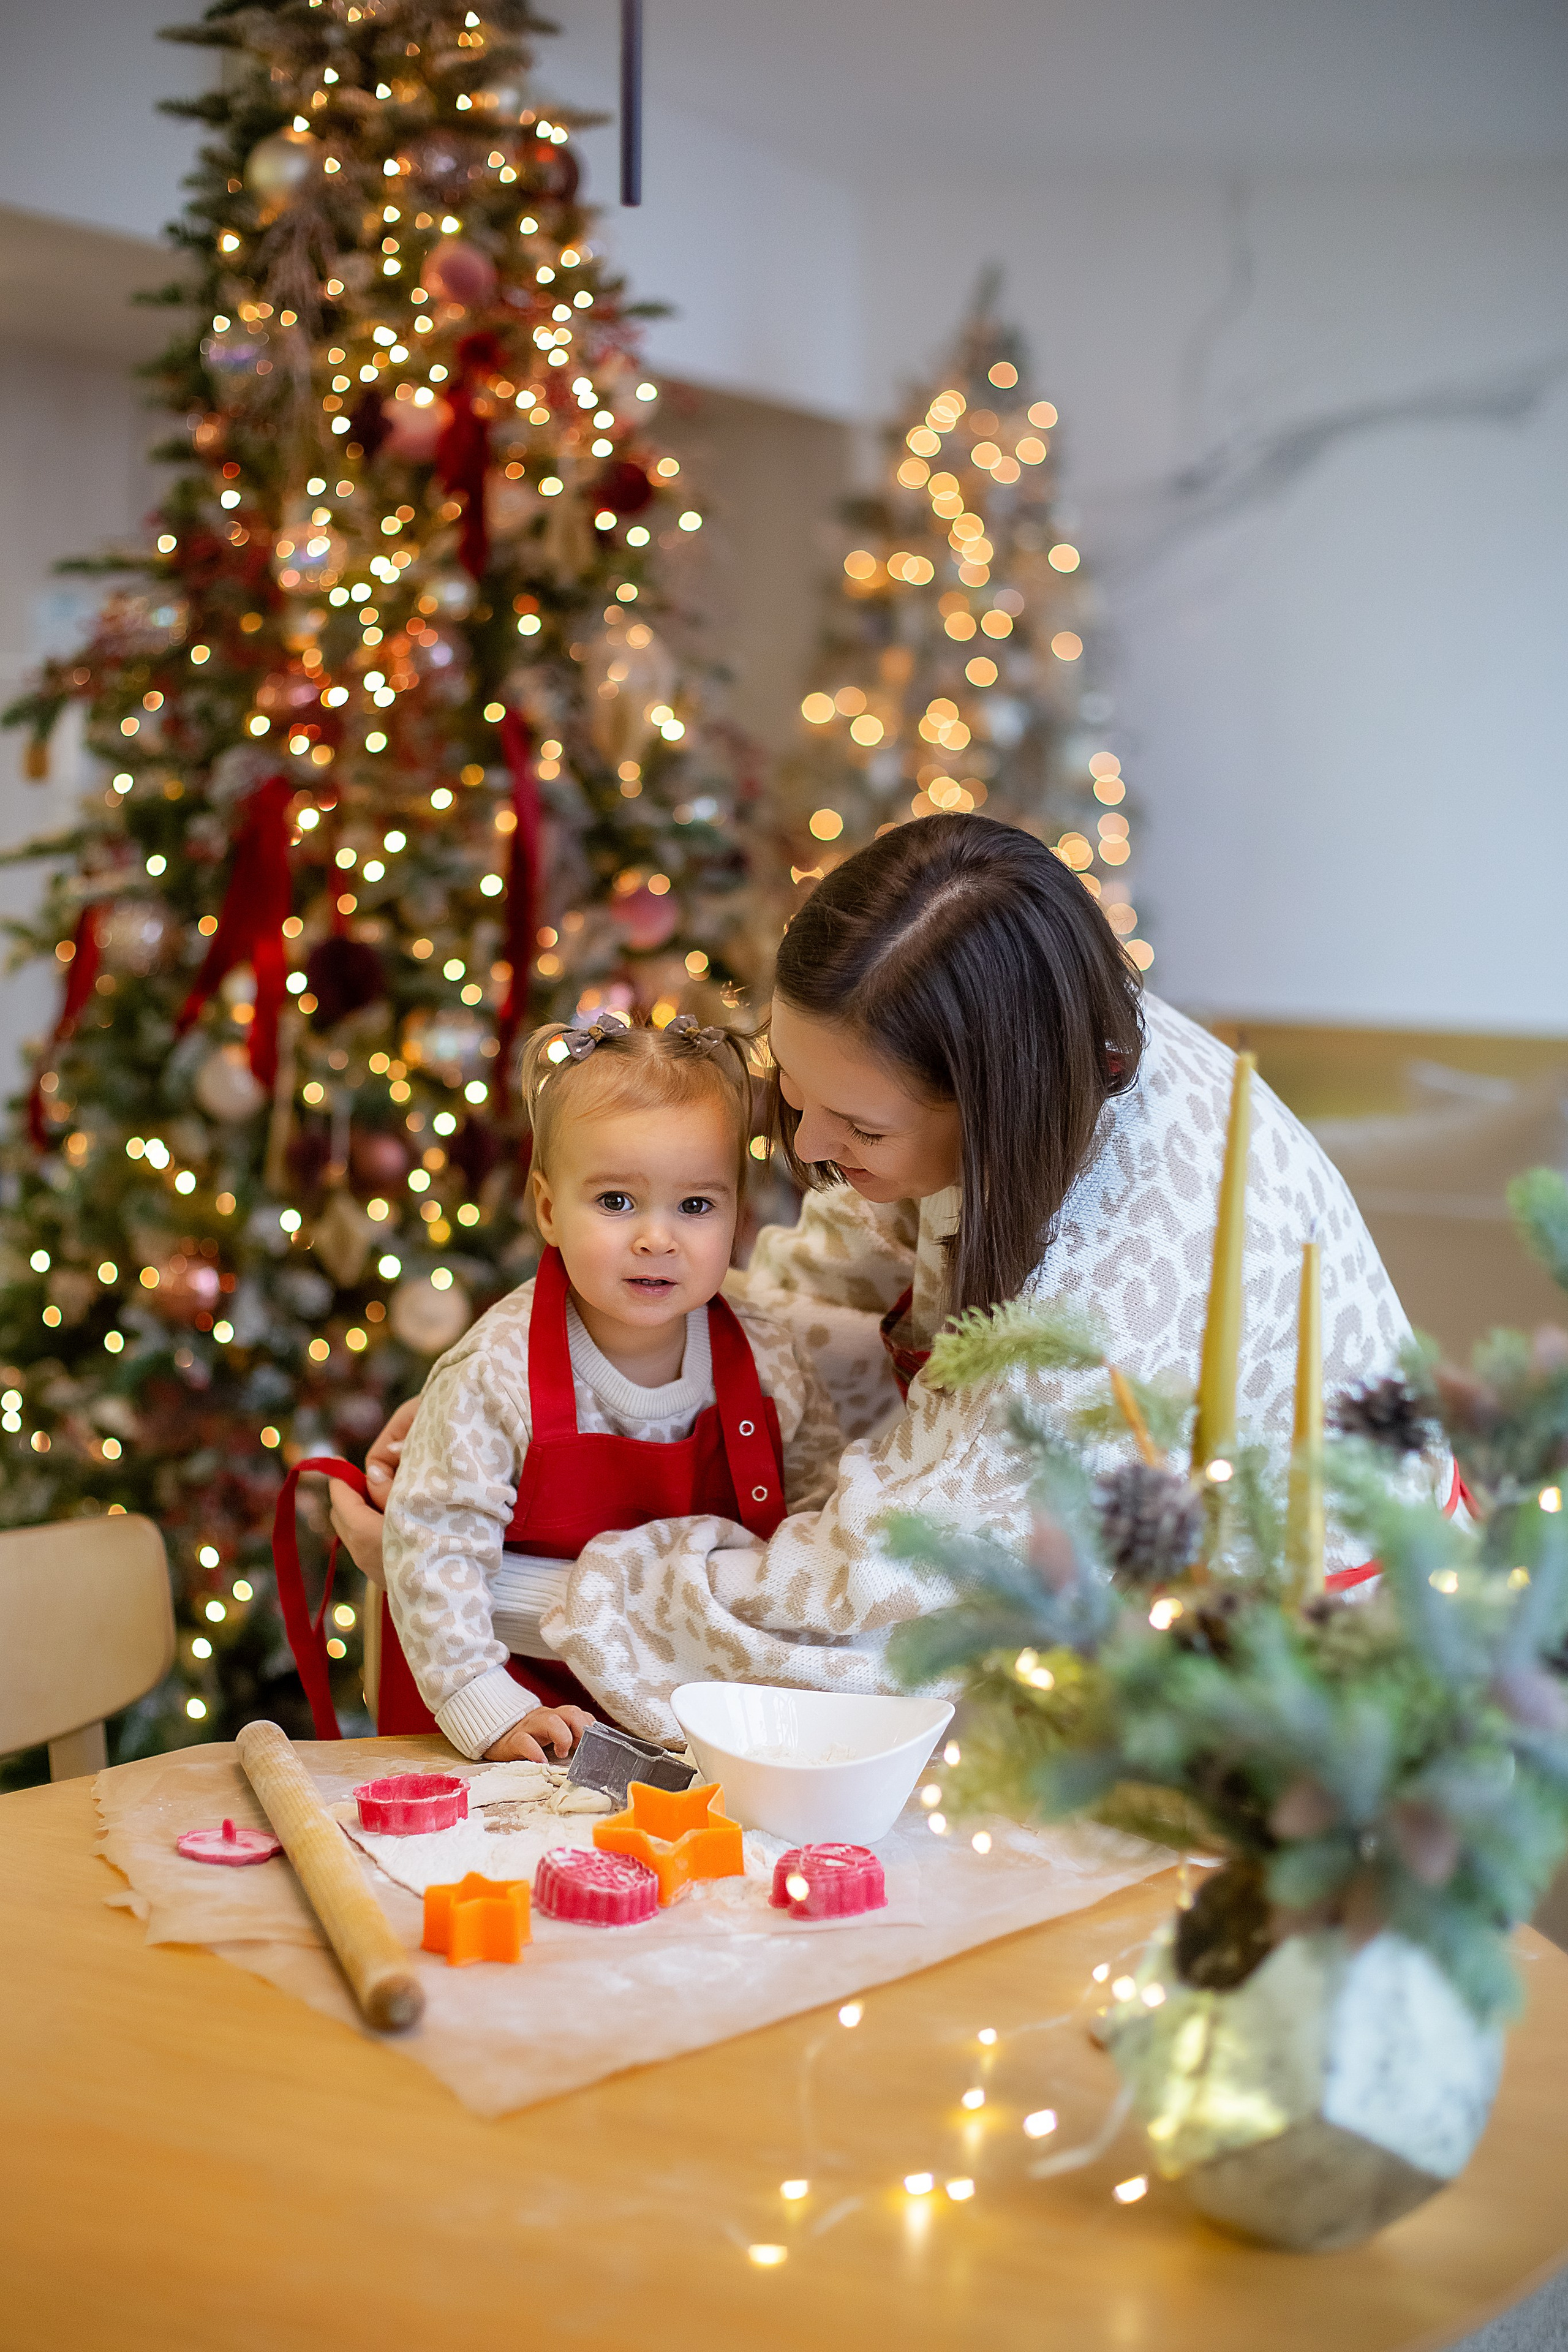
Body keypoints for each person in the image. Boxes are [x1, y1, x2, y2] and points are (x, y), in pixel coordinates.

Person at [336, 814, 1426, 1745]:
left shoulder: (1101, 1303)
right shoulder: (1049, 1020)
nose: (807, 1148)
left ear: (996, 1104)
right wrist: (488, 1427)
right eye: (790, 1087)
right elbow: (836, 1259)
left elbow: (856, 1606)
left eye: (856, 1125)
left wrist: (488, 1590)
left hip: (1273, 1721)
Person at [368, 1011, 840, 1763]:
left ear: (736, 1219)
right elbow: (433, 1547)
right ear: (550, 1209)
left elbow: (819, 1517)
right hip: (514, 1705)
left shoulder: (770, 1356)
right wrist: (482, 1704)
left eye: (696, 1205)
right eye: (616, 1201)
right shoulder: (495, 1372)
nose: (657, 1237)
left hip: (689, 1709)